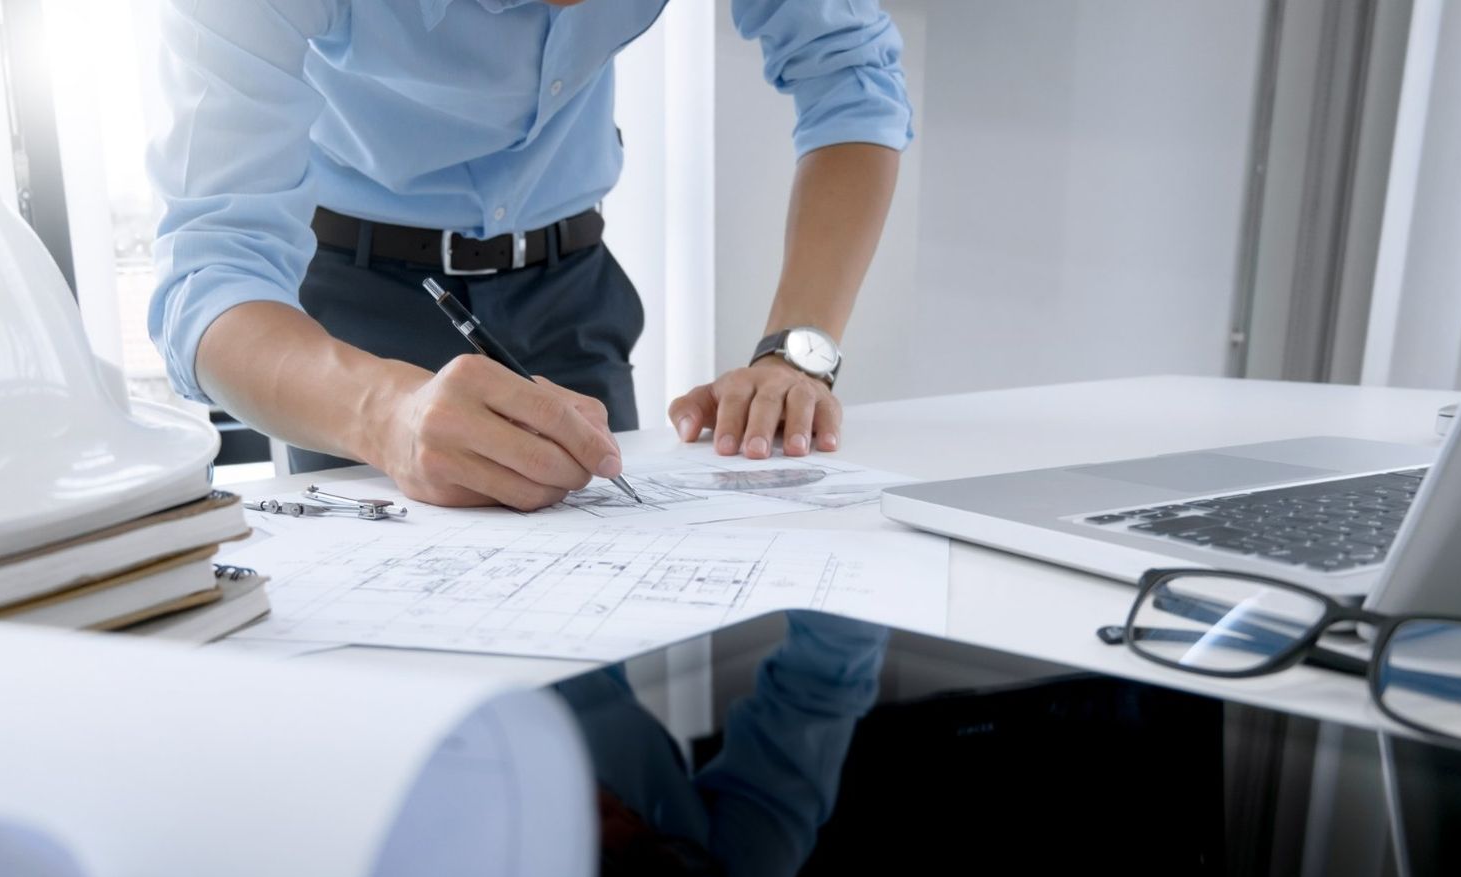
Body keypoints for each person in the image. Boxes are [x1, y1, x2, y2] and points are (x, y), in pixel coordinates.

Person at [150, 0, 912, 510]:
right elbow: (210, 273)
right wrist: (382, 413)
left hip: (571, 287)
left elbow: (851, 72)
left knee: (608, 620)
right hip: (348, 312)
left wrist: (795, 353)